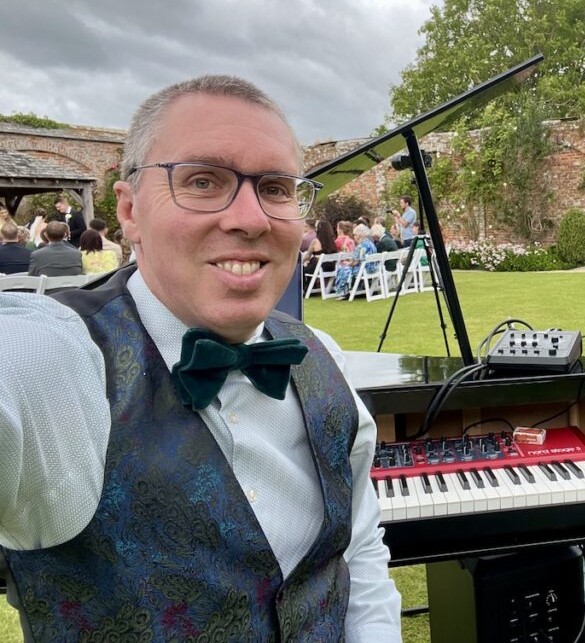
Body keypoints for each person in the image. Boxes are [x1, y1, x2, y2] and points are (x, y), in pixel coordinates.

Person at [0, 75, 401, 641]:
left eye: (276, 188)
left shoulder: (323, 359)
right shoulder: (61, 361)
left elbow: (357, 549)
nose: (251, 218)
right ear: (130, 209)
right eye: (203, 181)